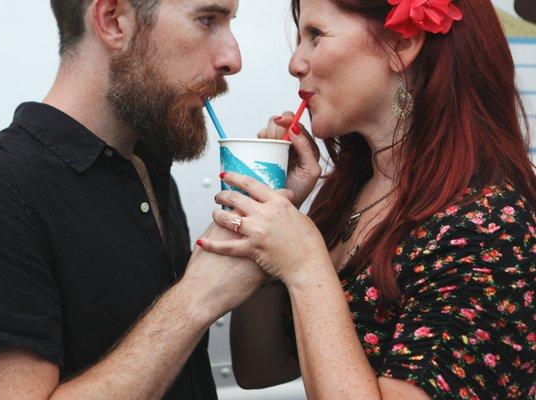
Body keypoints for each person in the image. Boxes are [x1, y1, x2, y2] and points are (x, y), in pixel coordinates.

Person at [197, 0, 536, 398]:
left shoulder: (490, 225)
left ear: (401, 43)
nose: (295, 63)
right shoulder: (350, 191)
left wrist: (305, 264)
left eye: (316, 35)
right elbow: (261, 368)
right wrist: (273, 220)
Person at [0, 0, 269, 399]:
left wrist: (265, 219)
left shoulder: (148, 169)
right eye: (206, 19)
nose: (233, 58)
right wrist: (196, 298)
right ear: (113, 21)